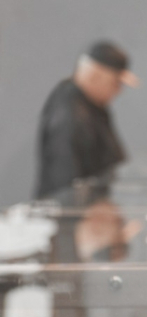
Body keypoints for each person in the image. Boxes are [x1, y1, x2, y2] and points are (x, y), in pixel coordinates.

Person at [33, 41, 137, 200]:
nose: (119, 91)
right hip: (74, 216)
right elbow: (66, 181)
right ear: (95, 76)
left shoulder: (91, 106)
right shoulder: (69, 115)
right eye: (116, 83)